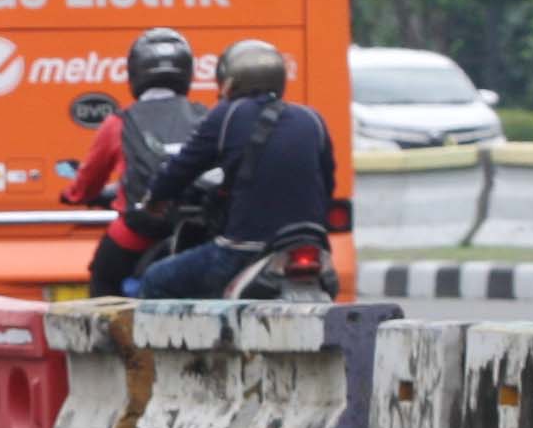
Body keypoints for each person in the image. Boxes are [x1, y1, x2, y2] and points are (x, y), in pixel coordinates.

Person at [128, 38, 334, 299]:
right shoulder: (312, 119)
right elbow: (327, 184)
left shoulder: (226, 115)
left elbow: (182, 168)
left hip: (245, 249)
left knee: (156, 279)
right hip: (312, 246)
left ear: (231, 80)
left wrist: (154, 199)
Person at [65, 28, 205, 297]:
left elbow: (89, 181)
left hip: (140, 229)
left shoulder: (120, 122)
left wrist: (74, 195)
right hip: (197, 227)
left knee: (103, 279)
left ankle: (105, 338)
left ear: (135, 73)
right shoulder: (204, 117)